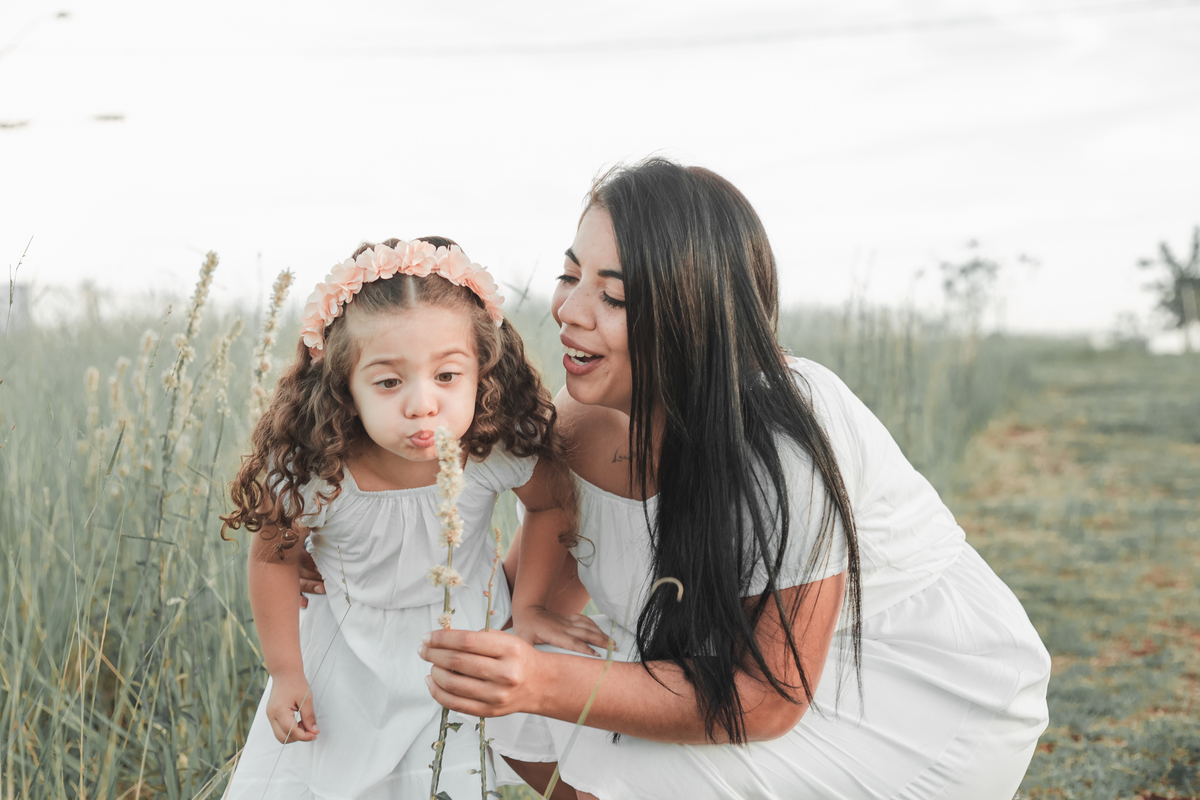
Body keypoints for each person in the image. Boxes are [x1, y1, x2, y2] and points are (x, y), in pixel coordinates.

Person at [414, 159, 1053, 800]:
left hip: (911, 689)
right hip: (724, 667)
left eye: (614, 296)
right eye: (569, 275)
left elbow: (766, 698)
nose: (568, 310)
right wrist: (354, 568)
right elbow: (524, 598)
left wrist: (543, 681)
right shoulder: (581, 422)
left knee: (637, 765)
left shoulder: (786, 436)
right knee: (495, 712)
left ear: (693, 314)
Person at [220, 237, 592, 800]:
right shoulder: (322, 471)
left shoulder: (488, 452)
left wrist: (532, 605)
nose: (422, 404)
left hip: (457, 648)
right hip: (347, 662)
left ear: (482, 372)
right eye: (389, 382)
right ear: (344, 386)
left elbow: (551, 503)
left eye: (447, 377)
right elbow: (273, 556)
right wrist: (286, 673)